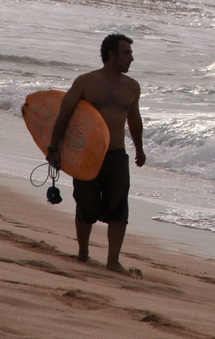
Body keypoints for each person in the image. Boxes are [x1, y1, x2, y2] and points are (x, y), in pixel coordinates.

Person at [46, 33, 146, 273]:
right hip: (87, 155)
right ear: (110, 55)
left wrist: (140, 149)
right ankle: (83, 254)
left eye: (131, 54)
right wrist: (54, 148)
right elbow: (64, 114)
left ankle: (113, 261)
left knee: (119, 208)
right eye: (126, 53)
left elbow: (134, 120)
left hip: (116, 155)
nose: (131, 59)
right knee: (86, 205)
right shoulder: (86, 82)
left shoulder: (132, 87)